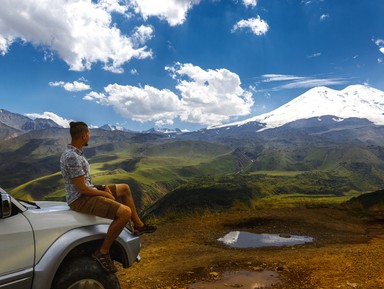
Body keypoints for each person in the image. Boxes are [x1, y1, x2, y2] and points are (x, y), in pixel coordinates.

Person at [60, 121, 156, 273]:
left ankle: (138, 225)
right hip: (80, 200)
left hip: (86, 193)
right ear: (84, 135)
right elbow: (82, 189)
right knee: (124, 213)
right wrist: (104, 193)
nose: (89, 136)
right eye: (89, 134)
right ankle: (103, 252)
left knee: (125, 188)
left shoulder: (76, 154)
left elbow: (86, 183)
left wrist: (103, 187)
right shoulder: (72, 157)